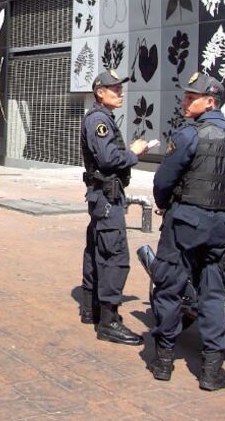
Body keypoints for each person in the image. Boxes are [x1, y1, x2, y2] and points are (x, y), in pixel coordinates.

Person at [148, 72, 225, 390]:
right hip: (219, 225)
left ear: (211, 101)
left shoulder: (189, 135)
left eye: (192, 97)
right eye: (186, 96)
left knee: (168, 288)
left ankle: (163, 362)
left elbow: (163, 180)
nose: (185, 101)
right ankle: (211, 370)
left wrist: (164, 204)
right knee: (213, 296)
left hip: (184, 222)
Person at [79, 70, 150, 344]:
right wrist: (134, 153)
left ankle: (91, 309)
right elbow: (108, 159)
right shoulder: (99, 120)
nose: (119, 93)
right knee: (114, 256)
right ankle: (108, 321)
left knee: (97, 251)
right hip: (107, 198)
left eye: (120, 88)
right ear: (100, 93)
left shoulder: (101, 118)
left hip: (102, 197)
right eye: (114, 89)